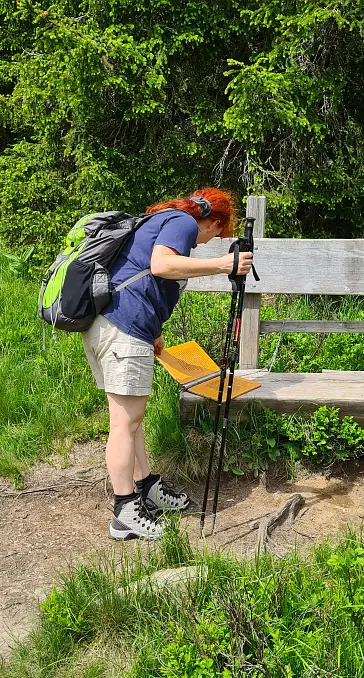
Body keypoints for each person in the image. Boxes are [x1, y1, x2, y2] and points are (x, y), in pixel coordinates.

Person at [82, 188, 254, 540]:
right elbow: (162, 265)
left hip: (119, 326)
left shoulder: (162, 219)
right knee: (123, 424)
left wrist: (154, 329)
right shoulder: (183, 222)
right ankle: (125, 511)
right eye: (214, 236)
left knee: (131, 421)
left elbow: (143, 275)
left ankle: (146, 487)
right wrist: (225, 265)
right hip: (122, 329)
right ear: (213, 222)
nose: (205, 244)